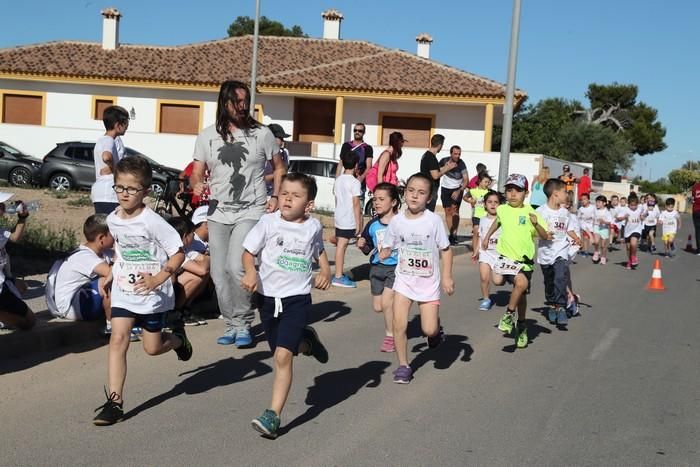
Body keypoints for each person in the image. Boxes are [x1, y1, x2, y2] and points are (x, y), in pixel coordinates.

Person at [93, 155, 192, 426]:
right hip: (125, 288)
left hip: (153, 295)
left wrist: (158, 279)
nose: (124, 194)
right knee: (118, 339)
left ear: (146, 191)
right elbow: (120, 249)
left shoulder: (153, 222)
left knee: (152, 348)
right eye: (119, 187)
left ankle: (179, 340)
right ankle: (115, 402)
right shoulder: (113, 219)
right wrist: (112, 271)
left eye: (132, 189)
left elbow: (177, 254)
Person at [190, 80, 286, 348]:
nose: (243, 107)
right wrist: (196, 182)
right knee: (218, 273)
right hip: (217, 211)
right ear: (225, 103)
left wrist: (276, 196)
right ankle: (231, 324)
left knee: (236, 266)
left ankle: (244, 322)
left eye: (246, 101)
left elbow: (279, 166)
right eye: (237, 102)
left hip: (251, 208)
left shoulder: (262, 134)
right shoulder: (207, 135)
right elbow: (197, 170)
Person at [241, 172, 330, 439]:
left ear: (309, 204)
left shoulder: (313, 226)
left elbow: (319, 249)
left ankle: (273, 415)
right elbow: (248, 253)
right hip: (268, 299)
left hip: (297, 299)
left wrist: (325, 270)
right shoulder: (267, 223)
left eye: (296, 195)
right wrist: (250, 272)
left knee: (282, 357)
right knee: (285, 349)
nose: (288, 199)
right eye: (284, 194)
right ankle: (308, 342)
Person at [379, 172, 454, 384]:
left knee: (428, 329)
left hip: (428, 282)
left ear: (429, 198)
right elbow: (388, 244)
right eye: (411, 191)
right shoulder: (397, 221)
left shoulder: (434, 221)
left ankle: (435, 331)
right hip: (403, 280)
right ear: (404, 193)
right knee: (399, 324)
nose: (414, 196)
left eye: (421, 193)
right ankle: (403, 366)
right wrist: (384, 251)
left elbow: (446, 250)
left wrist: (447, 277)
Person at [481, 174, 549, 349]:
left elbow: (545, 236)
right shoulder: (502, 209)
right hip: (505, 258)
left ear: (526, 193)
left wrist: (536, 225)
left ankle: (517, 321)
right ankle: (515, 317)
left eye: (517, 191)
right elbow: (498, 221)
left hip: (523, 262)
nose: (513, 194)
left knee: (521, 287)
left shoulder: (531, 213)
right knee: (497, 281)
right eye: (509, 190)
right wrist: (487, 236)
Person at [46, 215, 113, 327]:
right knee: (107, 281)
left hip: (83, 299)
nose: (117, 237)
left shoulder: (105, 252)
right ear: (101, 238)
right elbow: (113, 273)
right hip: (69, 308)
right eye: (113, 234)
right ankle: (113, 326)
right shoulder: (83, 256)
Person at [357, 182, 400, 352]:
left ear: (394, 202)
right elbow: (368, 248)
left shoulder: (401, 223)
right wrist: (362, 246)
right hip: (376, 269)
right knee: (378, 307)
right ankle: (397, 317)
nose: (377, 203)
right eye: (375, 199)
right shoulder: (373, 224)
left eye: (382, 199)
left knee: (387, 303)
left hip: (395, 268)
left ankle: (391, 336)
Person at [536, 178, 580, 326]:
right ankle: (551, 304)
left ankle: (561, 307)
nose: (567, 194)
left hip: (561, 250)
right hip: (545, 253)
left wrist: (576, 239)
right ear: (555, 194)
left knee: (560, 277)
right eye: (564, 191)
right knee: (549, 282)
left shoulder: (565, 212)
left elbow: (569, 229)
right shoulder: (540, 212)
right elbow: (534, 231)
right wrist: (543, 234)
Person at [167, 217, 210, 326]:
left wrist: (205, 258)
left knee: (202, 274)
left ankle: (185, 309)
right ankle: (174, 313)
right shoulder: (174, 251)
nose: (194, 237)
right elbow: (202, 269)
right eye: (192, 234)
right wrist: (206, 258)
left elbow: (203, 259)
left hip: (171, 286)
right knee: (196, 276)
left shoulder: (186, 249)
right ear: (185, 236)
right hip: (163, 287)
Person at [0, 201, 35, 330]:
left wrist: (22, 218)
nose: (4, 208)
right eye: (0, 206)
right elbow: (14, 237)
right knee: (29, 322)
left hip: (3, 279)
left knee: (21, 286)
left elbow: (14, 237)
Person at [332, 152, 362, 288]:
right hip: (348, 219)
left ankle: (339, 273)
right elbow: (356, 203)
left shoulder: (338, 180)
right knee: (342, 245)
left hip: (339, 216)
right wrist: (358, 223)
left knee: (341, 245)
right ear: (356, 165)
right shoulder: (355, 182)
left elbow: (337, 198)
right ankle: (338, 276)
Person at [91, 105, 129, 214]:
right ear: (118, 125)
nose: (127, 126)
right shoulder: (110, 140)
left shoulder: (102, 140)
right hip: (109, 193)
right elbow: (106, 157)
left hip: (100, 193)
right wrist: (115, 168)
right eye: (125, 123)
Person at [470, 190, 502, 311]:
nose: (493, 205)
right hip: (485, 252)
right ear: (484, 204)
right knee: (484, 277)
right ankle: (486, 299)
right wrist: (476, 251)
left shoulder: (502, 220)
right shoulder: (482, 220)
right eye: (490, 202)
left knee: (498, 281)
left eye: (496, 202)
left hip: (499, 254)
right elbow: (480, 237)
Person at [335, 122, 374, 205]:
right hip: (345, 182)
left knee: (358, 208)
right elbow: (340, 163)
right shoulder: (346, 145)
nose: (357, 132)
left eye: (360, 131)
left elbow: (369, 166)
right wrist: (337, 181)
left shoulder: (367, 148)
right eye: (355, 130)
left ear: (364, 132)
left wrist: (361, 178)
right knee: (342, 207)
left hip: (359, 183)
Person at [438, 145, 469, 245]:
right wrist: (446, 167)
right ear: (451, 153)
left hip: (457, 189)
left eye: (459, 154)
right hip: (445, 188)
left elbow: (466, 180)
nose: (457, 156)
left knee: (455, 210)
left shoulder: (462, 163)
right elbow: (436, 173)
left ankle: (454, 233)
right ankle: (451, 233)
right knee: (447, 211)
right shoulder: (444, 160)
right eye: (455, 154)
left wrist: (459, 190)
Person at [419, 134, 453, 212]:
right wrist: (447, 168)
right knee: (428, 213)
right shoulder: (431, 158)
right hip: (430, 190)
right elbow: (435, 175)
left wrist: (445, 167)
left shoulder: (426, 155)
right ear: (440, 145)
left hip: (426, 187)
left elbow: (433, 170)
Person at [616, 193, 645, 270]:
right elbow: (618, 218)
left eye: (635, 205)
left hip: (637, 229)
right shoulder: (625, 210)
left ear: (637, 204)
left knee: (633, 243)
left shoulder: (640, 208)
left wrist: (643, 216)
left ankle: (634, 257)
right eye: (631, 205)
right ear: (628, 204)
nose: (633, 207)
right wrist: (623, 217)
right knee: (628, 248)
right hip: (628, 231)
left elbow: (645, 213)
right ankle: (629, 261)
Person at [464, 172, 493, 251]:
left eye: (488, 182)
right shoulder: (473, 191)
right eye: (485, 182)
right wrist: (471, 201)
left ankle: (482, 249)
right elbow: (465, 197)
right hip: (476, 215)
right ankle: (474, 250)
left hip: (486, 216)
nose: (487, 184)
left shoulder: (489, 192)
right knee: (476, 232)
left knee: (484, 233)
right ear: (480, 181)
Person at [264, 123, 290, 198]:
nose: (283, 141)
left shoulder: (285, 153)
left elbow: (285, 171)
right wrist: (277, 174)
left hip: (277, 194)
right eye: (280, 138)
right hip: (262, 195)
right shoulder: (261, 155)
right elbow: (259, 179)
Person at [592, 195, 613, 264]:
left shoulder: (607, 211)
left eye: (599, 202)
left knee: (603, 245)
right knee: (596, 241)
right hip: (596, 227)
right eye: (596, 202)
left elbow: (609, 221)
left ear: (604, 203)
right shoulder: (595, 210)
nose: (597, 203)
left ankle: (603, 256)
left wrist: (604, 221)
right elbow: (593, 218)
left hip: (604, 228)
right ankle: (596, 252)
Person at [692, 181, 700, 254]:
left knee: (698, 231)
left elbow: (693, 198)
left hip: (696, 210)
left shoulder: (695, 186)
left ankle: (699, 250)